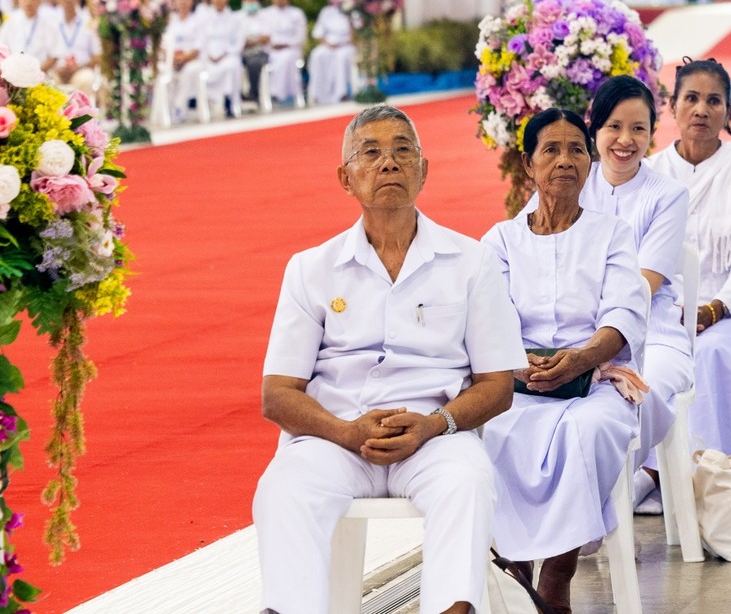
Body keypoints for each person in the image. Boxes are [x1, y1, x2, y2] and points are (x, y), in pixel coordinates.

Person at [254, 104, 522, 614]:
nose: (389, 163)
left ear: (424, 169)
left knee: (467, 481)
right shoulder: (311, 269)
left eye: (403, 150)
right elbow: (277, 395)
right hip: (335, 439)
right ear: (345, 178)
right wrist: (346, 432)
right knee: (283, 488)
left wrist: (433, 424)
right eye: (371, 153)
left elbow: (497, 385)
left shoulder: (472, 262)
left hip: (435, 437)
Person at [480, 108, 647, 611]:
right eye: (550, 150)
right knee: (493, 431)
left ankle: (558, 571)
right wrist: (518, 364)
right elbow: (488, 319)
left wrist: (579, 360)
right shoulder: (500, 240)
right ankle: (515, 564)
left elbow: (623, 313)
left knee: (588, 430)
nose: (565, 161)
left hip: (593, 381)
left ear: (590, 161)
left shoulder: (612, 233)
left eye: (576, 149)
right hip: (518, 384)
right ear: (527, 164)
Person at [565, 76, 694, 518]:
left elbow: (644, 283)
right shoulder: (569, 183)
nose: (625, 140)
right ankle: (583, 504)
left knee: (644, 389)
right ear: (594, 127)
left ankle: (597, 502)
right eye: (614, 127)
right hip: (571, 333)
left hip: (653, 335)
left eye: (638, 128)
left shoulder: (668, 195)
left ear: (652, 132)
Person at [646, 58, 731, 454]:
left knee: (711, 350)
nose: (701, 110)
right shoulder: (650, 171)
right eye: (691, 99)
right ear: (672, 106)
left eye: (714, 101)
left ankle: (703, 464)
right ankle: (652, 466)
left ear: (728, 111)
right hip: (666, 314)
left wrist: (715, 309)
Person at [38, 0, 101, 96]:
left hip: (81, 70)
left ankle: (84, 108)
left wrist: (79, 67)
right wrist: (56, 68)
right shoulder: (50, 24)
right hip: (57, 72)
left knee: (87, 79)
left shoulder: (88, 23)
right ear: (58, 0)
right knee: (45, 81)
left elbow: (97, 55)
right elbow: (46, 54)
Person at [263, 0, 309, 107]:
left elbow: (301, 34)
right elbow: (264, 34)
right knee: (274, 60)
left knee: (286, 58)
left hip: (291, 48)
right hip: (272, 50)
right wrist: (273, 44)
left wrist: (287, 44)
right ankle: (274, 94)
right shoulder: (266, 14)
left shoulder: (296, 13)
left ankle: (284, 94)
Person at [309, 0, 359, 106]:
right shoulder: (326, 11)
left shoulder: (352, 10)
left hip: (346, 45)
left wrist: (342, 43)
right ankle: (318, 94)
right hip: (328, 44)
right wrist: (327, 44)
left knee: (341, 57)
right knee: (317, 55)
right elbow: (319, 32)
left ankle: (341, 93)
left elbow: (356, 33)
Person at [238, 0, 273, 102]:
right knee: (232, 65)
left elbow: (265, 38)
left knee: (254, 63)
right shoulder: (236, 16)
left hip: (259, 51)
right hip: (239, 51)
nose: (249, 1)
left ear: (259, 1)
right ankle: (236, 96)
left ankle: (253, 94)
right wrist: (247, 42)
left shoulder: (266, 16)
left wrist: (250, 41)